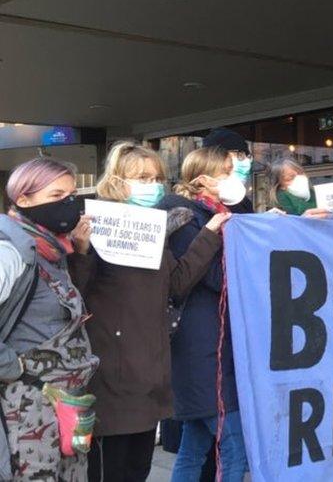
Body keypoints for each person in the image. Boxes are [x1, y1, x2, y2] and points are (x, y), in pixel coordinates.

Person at [79, 142, 229, 482]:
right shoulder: (95, 226)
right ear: (118, 180)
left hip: (151, 375)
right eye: (143, 177)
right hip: (113, 376)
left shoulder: (153, 229)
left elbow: (176, 284)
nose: (153, 184)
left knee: (138, 469)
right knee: (111, 470)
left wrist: (208, 235)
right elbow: (77, 291)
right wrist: (83, 250)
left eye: (157, 177)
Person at [0, 157, 99, 480]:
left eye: (71, 196)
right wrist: (10, 366)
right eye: (56, 196)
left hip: (64, 403)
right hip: (26, 408)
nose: (68, 205)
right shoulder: (11, 250)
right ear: (23, 199)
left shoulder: (53, 251)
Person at [156, 148, 248, 481]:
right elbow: (202, 277)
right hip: (201, 347)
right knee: (233, 447)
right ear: (202, 178)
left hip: (211, 347)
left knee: (194, 447)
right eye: (226, 170)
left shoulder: (214, 212)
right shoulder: (180, 214)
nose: (234, 177)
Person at [202, 128, 254, 215]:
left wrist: (263, 219)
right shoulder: (195, 204)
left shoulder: (242, 202)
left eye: (247, 156)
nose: (246, 162)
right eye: (239, 155)